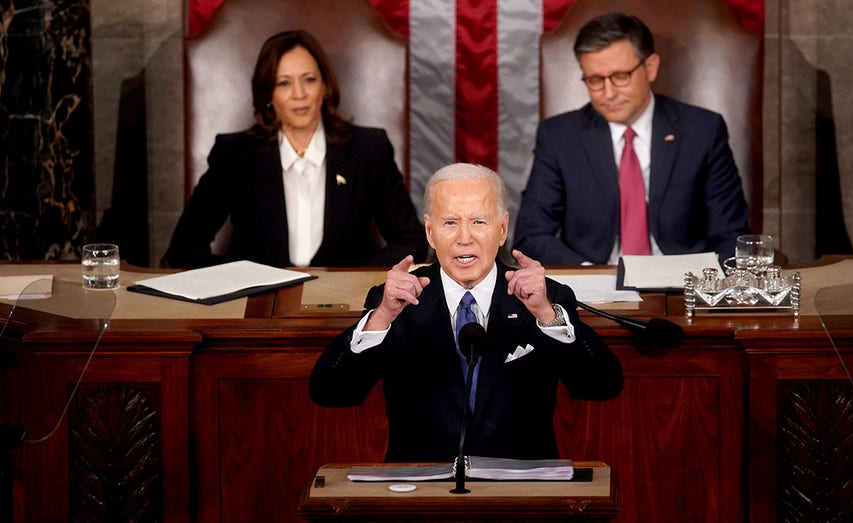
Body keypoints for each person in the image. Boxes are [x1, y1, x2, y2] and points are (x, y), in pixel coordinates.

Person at [309, 163, 623, 462]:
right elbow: (331, 392)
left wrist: (545, 313)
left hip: (521, 492)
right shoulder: (395, 300)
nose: (464, 238)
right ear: (430, 232)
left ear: (502, 230)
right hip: (422, 492)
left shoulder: (545, 297)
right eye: (450, 223)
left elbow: (602, 386)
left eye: (478, 222)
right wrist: (382, 317)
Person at [163, 30, 427, 268]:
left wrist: (359, 284)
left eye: (309, 80)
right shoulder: (234, 155)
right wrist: (238, 283)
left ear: (324, 86)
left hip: (347, 311)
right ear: (268, 94)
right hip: (258, 313)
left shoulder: (369, 149)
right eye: (284, 83)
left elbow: (410, 241)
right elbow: (183, 250)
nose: (299, 93)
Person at [513, 12, 750, 265]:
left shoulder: (702, 130)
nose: (609, 93)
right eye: (595, 80)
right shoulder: (559, 136)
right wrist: (588, 273)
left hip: (682, 284)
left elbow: (731, 234)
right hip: (593, 285)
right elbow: (531, 236)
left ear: (650, 68)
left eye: (620, 76)